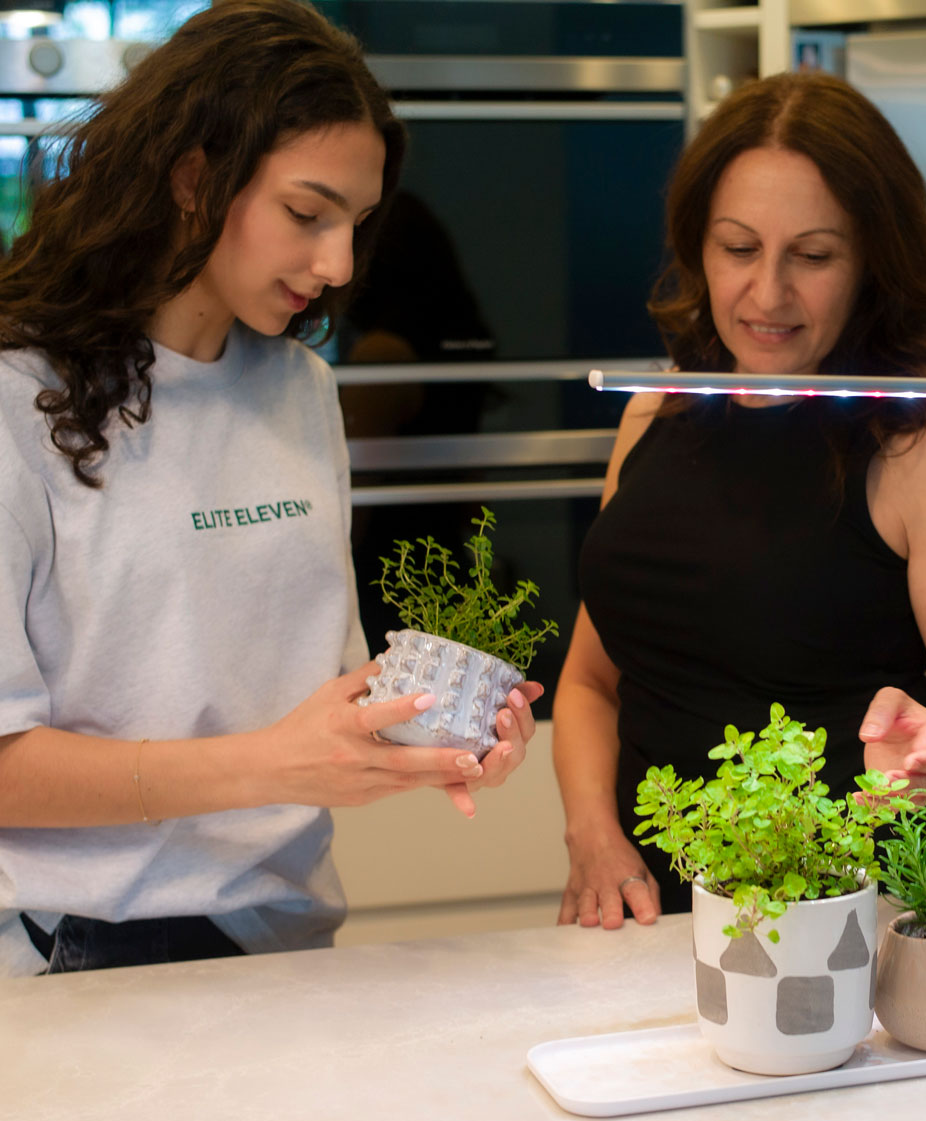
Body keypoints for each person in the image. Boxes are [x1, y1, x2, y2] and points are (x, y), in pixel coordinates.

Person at [0, 0, 541, 977]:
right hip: (77, 951)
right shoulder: (13, 401)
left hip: (281, 932)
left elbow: (306, 694)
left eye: (356, 225)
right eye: (306, 213)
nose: (337, 266)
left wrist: (438, 725)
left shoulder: (298, 388)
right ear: (194, 177)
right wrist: (269, 765)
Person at [552, 71, 926, 928]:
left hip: (844, 933)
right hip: (638, 916)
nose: (768, 294)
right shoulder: (656, 414)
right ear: (697, 245)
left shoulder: (923, 446)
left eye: (813, 256)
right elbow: (592, 683)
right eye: (738, 248)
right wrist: (593, 836)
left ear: (870, 262)